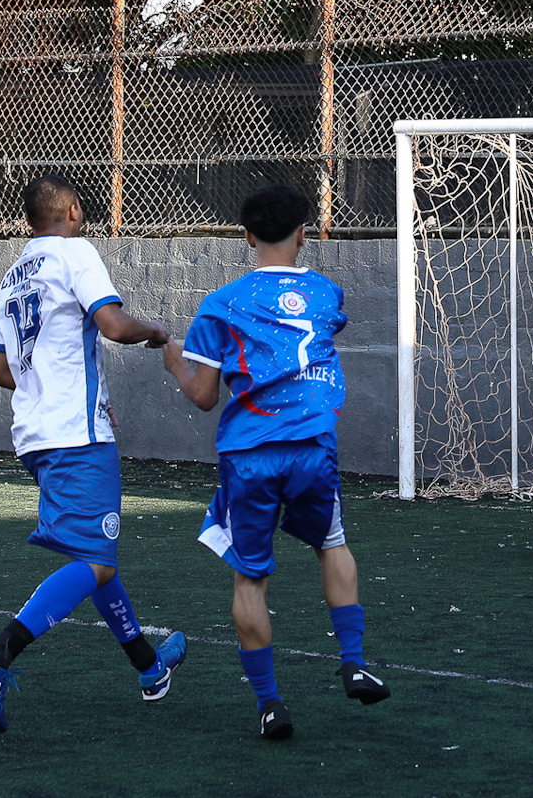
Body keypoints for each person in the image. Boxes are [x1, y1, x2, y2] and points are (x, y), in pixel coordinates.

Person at [162, 183, 389, 741]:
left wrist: (174, 362)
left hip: (250, 455)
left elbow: (204, 395)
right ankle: (354, 659)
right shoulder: (327, 294)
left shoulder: (221, 303)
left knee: (250, 579)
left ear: (246, 236)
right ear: (304, 233)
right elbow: (317, 328)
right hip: (313, 446)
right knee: (330, 543)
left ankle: (270, 705)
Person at [0, 174, 187, 733]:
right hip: (77, 436)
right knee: (97, 560)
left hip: (35, 435)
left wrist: (53, 387)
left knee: (98, 559)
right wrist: (155, 331)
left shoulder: (11, 277)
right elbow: (112, 324)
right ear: (73, 210)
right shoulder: (74, 251)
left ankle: (150, 668)